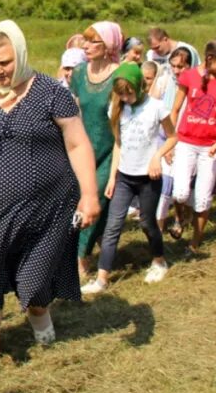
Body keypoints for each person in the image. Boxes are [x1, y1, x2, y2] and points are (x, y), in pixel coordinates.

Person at [0, 20, 99, 374]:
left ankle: (41, 322)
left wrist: (89, 194)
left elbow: (76, 142)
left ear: (21, 55)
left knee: (35, 283)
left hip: (47, 208)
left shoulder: (50, 91)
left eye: (6, 62)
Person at [81, 63, 176, 294]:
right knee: (113, 226)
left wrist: (157, 157)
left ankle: (159, 260)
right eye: (121, 93)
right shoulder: (118, 108)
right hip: (124, 176)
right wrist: (113, 177)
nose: (126, 97)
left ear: (139, 86)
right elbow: (118, 144)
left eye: (129, 92)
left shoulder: (156, 107)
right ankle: (102, 279)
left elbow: (173, 137)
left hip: (148, 178)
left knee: (147, 222)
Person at [170, 38, 216, 252]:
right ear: (209, 58)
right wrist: (170, 143)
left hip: (210, 147)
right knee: (179, 192)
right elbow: (175, 109)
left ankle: (195, 242)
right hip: (185, 142)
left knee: (202, 198)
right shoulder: (188, 77)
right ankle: (180, 219)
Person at [69, 21, 122, 278]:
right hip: (83, 147)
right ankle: (93, 247)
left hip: (110, 149)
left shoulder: (120, 74)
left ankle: (81, 259)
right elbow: (74, 111)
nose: (86, 46)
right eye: (85, 41)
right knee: (77, 198)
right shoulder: (79, 73)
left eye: (93, 42)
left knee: (95, 197)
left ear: (109, 45)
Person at [155, 47, 194, 237]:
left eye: (181, 66)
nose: (177, 71)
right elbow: (152, 102)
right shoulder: (164, 80)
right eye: (173, 66)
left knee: (179, 186)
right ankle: (158, 227)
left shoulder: (194, 85)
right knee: (163, 184)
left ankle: (180, 218)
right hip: (163, 137)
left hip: (184, 139)